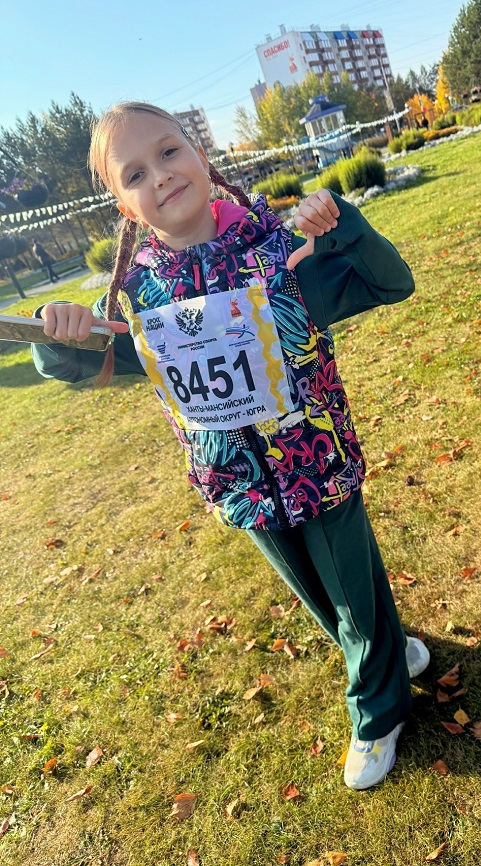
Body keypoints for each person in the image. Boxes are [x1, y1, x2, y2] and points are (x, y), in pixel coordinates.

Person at [31, 102, 429, 790]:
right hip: (237, 481)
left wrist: (344, 227)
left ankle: (378, 711)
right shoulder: (136, 300)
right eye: (134, 173)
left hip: (316, 460)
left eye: (168, 152)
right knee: (328, 597)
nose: (159, 176)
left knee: (351, 592)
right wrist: (53, 331)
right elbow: (73, 361)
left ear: (201, 155)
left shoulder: (279, 253)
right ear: (123, 205)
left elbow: (390, 282)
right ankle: (393, 654)